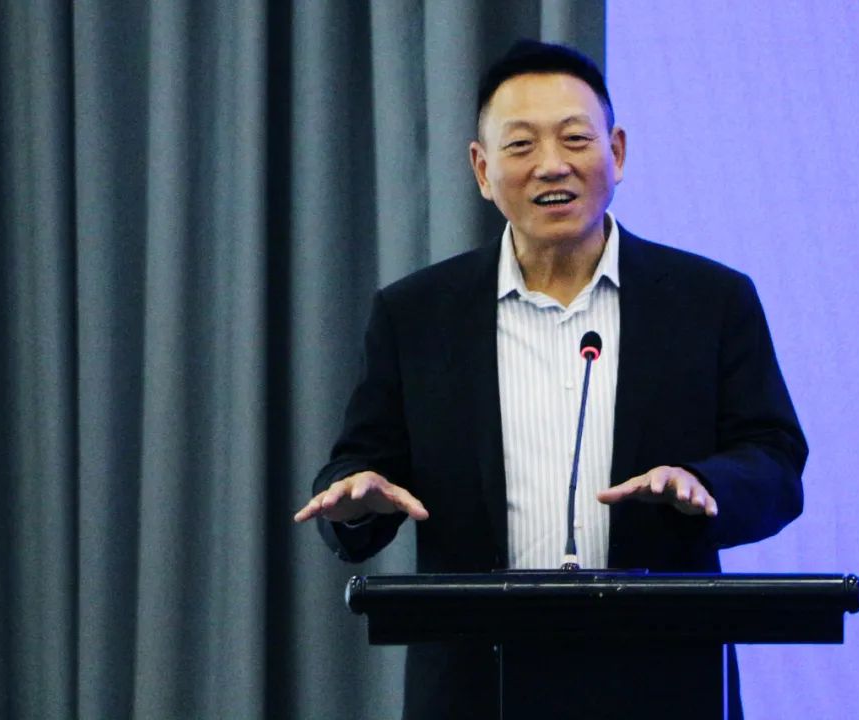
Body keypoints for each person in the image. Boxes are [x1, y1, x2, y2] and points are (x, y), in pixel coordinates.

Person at [295, 40, 806, 720]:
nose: (552, 164)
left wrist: (704, 484)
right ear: (482, 169)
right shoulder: (416, 314)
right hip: (477, 690)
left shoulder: (710, 301)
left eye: (574, 138)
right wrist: (357, 497)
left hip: (663, 683)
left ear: (616, 153)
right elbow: (363, 464)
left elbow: (775, 462)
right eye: (520, 145)